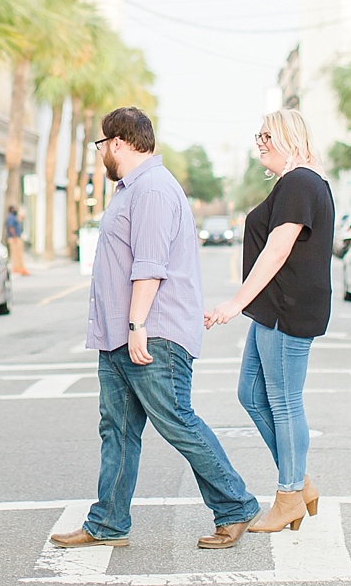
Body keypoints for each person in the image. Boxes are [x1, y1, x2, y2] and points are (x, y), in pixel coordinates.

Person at [49, 106, 261, 553]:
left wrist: (137, 325)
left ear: (119, 144)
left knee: (176, 420)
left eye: (102, 145)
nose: (101, 153)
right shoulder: (130, 190)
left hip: (150, 333)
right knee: (118, 429)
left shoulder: (154, 191)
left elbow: (150, 266)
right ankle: (107, 521)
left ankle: (236, 504)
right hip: (119, 337)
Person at [205, 108, 336, 534]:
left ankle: (289, 495)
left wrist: (233, 304)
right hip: (275, 308)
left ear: (290, 137)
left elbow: (277, 250)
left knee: (283, 401)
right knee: (251, 393)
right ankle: (299, 482)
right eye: (258, 134)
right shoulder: (296, 182)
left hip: (287, 306)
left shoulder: (300, 182)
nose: (259, 141)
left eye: (267, 135)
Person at [4, 203, 29, 276]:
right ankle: (16, 268)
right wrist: (15, 236)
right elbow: (11, 227)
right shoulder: (11, 217)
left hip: (16, 237)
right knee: (15, 254)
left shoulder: (14, 217)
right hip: (14, 238)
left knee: (19, 254)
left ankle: (19, 267)